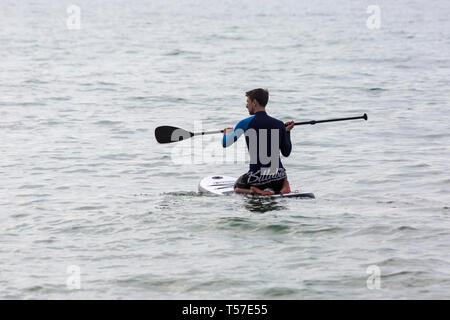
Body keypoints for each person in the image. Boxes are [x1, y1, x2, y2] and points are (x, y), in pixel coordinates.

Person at [222, 88, 294, 195]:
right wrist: (287, 132)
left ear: (254, 102)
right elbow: (286, 152)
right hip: (279, 176)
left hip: (258, 178)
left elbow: (225, 143)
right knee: (277, 176)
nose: (246, 106)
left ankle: (257, 191)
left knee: (237, 187)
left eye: (247, 102)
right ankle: (284, 186)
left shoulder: (245, 123)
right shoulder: (279, 124)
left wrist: (226, 133)